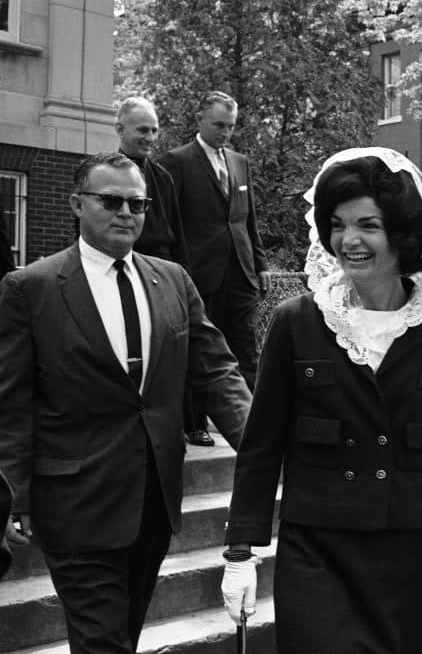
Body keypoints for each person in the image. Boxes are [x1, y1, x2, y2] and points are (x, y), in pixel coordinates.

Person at [219, 148, 422, 653]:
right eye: (337, 224)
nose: (349, 240)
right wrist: (241, 550)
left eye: (367, 225)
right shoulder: (297, 322)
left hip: (410, 554)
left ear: (402, 232)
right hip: (317, 552)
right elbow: (261, 446)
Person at [0, 152, 251, 652]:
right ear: (76, 204)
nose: (126, 213)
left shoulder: (173, 279)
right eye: (111, 201)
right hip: (76, 505)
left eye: (137, 203)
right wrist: (12, 493)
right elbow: (11, 403)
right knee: (103, 644)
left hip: (154, 504)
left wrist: (260, 446)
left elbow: (217, 371)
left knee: (121, 637)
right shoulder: (32, 288)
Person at [160, 91, 269, 447]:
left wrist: (261, 264)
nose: (225, 132)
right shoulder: (176, 162)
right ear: (200, 120)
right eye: (219, 125)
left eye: (231, 126)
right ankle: (195, 424)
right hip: (199, 273)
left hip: (241, 270)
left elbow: (247, 219)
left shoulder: (240, 162)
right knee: (201, 349)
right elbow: (172, 223)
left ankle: (255, 424)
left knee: (247, 349)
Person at [115, 96, 189, 267]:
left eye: (154, 131)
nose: (150, 138)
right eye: (142, 130)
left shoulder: (163, 178)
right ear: (120, 130)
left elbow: (178, 235)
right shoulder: (102, 175)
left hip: (160, 270)